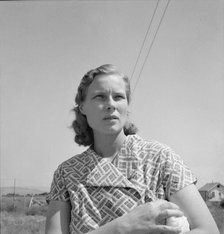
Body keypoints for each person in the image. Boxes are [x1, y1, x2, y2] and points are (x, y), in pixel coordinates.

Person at [45, 64, 219, 234]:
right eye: (100, 96)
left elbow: (208, 230)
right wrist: (122, 227)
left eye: (119, 97)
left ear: (127, 105)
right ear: (82, 107)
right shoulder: (66, 173)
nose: (110, 104)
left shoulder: (160, 157)